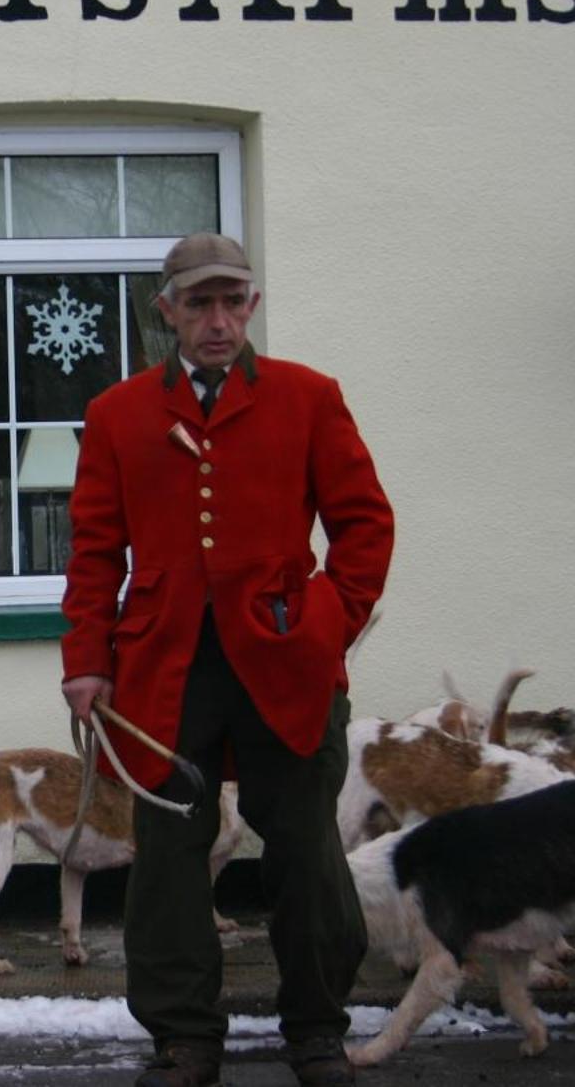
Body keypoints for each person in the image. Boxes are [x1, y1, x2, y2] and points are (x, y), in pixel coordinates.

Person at [60, 233, 394, 1087]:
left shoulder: (308, 397)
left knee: (308, 851)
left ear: (251, 305)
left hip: (290, 661)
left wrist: (329, 620)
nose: (218, 320)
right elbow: (96, 553)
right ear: (167, 310)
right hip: (162, 670)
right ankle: (185, 1039)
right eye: (199, 303)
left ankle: (318, 1029)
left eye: (233, 300)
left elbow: (365, 524)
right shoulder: (117, 414)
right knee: (169, 862)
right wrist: (86, 659)